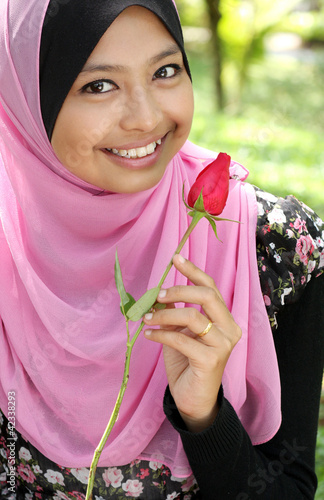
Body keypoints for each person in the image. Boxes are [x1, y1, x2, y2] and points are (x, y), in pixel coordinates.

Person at [0, 0, 323, 498]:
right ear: (24, 98)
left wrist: (206, 417)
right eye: (98, 85)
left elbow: (292, 490)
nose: (146, 118)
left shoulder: (275, 248)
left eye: (166, 71)